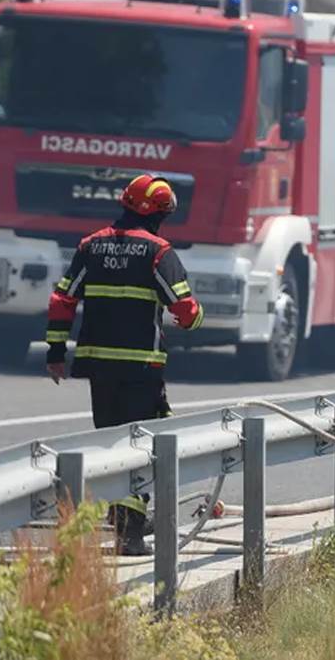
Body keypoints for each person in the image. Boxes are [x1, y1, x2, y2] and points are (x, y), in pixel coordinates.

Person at [44, 173, 205, 555]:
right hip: (141, 368)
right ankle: (129, 531)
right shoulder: (158, 252)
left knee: (111, 443)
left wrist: (54, 353)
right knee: (145, 444)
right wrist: (196, 318)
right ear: (160, 214)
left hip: (97, 366)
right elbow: (185, 310)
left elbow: (62, 300)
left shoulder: (90, 246)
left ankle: (126, 518)